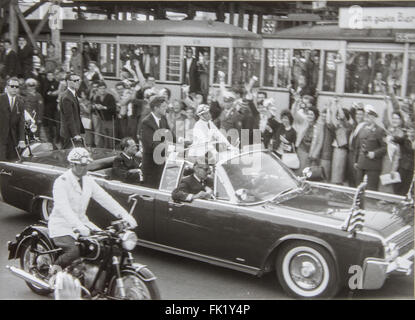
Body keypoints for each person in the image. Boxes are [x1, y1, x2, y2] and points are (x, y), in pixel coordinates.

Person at [48, 147, 137, 270]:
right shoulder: (61, 182)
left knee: (107, 246)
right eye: (82, 165)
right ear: (72, 164)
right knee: (75, 251)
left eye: (87, 164)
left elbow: (105, 199)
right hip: (62, 226)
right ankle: (54, 270)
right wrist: (79, 226)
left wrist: (125, 215)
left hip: (84, 224)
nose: (85, 168)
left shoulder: (88, 180)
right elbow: (64, 209)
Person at [140, 96, 171, 188]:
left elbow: (169, 134)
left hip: (161, 162)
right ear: (156, 108)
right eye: (164, 106)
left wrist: (182, 141)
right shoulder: (146, 122)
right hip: (150, 165)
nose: (166, 108)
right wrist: (168, 147)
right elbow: (151, 144)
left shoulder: (163, 118)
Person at [354, 105, 386, 191]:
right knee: (359, 188)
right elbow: (358, 147)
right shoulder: (362, 129)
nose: (368, 118)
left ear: (374, 117)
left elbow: (385, 148)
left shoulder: (380, 131)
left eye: (370, 116)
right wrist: (356, 161)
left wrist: (375, 153)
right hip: (361, 164)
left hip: (373, 166)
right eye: (366, 116)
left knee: (371, 190)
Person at [0, 77, 26, 160]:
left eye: (17, 87)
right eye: (12, 86)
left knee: (12, 162)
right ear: (7, 87)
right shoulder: (1, 99)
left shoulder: (20, 102)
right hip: (1, 137)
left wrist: (22, 139)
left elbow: (21, 122)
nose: (14, 88)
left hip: (13, 138)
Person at [59, 73, 84, 149]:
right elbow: (69, 118)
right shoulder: (67, 97)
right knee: (68, 154)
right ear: (68, 82)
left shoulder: (73, 94)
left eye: (79, 80)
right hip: (69, 133)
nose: (78, 82)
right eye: (75, 80)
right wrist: (75, 134)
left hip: (73, 131)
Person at [91, 81, 117, 149]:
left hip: (110, 120)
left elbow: (113, 108)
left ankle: (111, 149)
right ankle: (105, 149)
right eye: (100, 88)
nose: (102, 90)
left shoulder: (110, 97)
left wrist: (104, 107)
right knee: (104, 136)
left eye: (103, 88)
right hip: (102, 120)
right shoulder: (97, 97)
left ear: (106, 89)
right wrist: (95, 107)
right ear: (98, 89)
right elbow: (94, 108)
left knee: (111, 136)